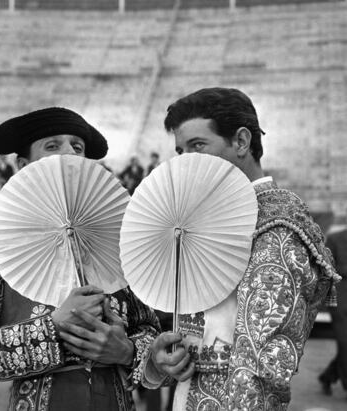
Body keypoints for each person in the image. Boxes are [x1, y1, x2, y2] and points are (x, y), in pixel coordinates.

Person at [0, 107, 160, 411]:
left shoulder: (118, 237)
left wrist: (126, 352)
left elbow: (148, 330)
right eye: (52, 145)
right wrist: (52, 328)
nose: (69, 153)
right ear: (23, 165)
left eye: (77, 147)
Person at [141, 88, 340, 410]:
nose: (187, 161)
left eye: (198, 145)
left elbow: (262, 367)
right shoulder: (207, 220)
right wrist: (163, 361)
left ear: (241, 142)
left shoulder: (277, 228)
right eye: (181, 151)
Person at [318, 227, 347, 396]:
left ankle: (327, 377)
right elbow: (327, 269)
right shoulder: (335, 239)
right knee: (345, 343)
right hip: (341, 302)